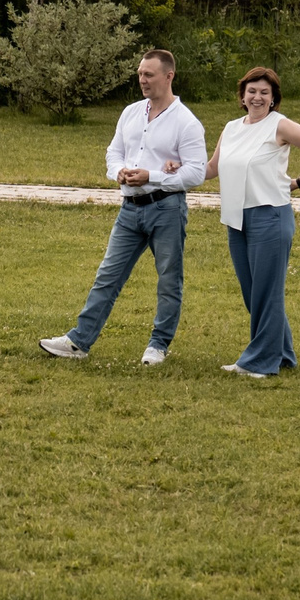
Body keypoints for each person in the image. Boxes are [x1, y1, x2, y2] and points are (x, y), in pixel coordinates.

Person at [39, 49, 206, 364]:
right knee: (108, 275)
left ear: (169, 76)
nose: (142, 80)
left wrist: (151, 176)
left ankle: (158, 346)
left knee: (169, 279)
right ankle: (78, 343)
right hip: (130, 209)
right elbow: (114, 151)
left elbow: (196, 172)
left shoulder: (186, 122)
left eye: (149, 75)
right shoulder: (131, 112)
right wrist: (118, 171)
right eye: (140, 74)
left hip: (166, 209)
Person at [202, 66, 300, 378]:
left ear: (273, 98)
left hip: (270, 216)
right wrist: (174, 168)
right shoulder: (231, 128)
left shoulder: (280, 126)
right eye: (252, 91)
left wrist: (298, 182)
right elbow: (211, 168)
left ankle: (260, 363)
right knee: (254, 293)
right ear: (243, 96)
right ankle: (283, 354)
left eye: (264, 92)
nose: (257, 97)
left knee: (266, 293)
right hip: (236, 219)